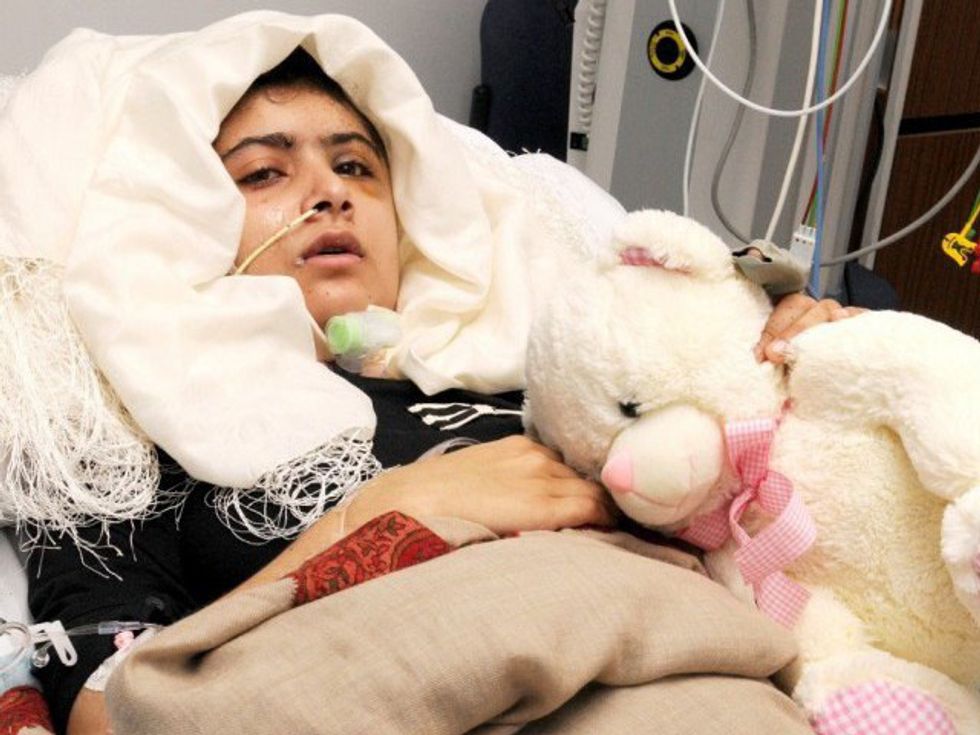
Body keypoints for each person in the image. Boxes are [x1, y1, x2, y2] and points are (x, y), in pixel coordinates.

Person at [25, 39, 854, 735]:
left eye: (356, 166)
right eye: (263, 174)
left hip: (678, 665)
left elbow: (740, 500)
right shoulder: (123, 450)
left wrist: (805, 375)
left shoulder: (547, 378)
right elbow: (111, 713)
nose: (330, 192)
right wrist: (381, 520)